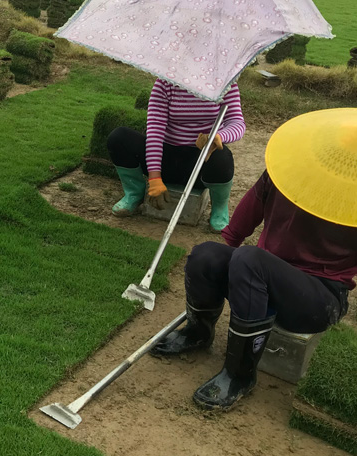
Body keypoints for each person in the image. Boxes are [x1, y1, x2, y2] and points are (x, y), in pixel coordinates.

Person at [152, 108, 357, 411]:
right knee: (206, 255)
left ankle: (240, 374)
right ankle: (198, 332)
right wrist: (225, 251)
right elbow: (248, 212)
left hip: (319, 298)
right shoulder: (286, 172)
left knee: (250, 259)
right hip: (261, 274)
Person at [106, 79, 245, 232]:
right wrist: (154, 178)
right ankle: (134, 193)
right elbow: (155, 132)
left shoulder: (225, 85)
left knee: (222, 157)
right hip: (167, 158)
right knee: (119, 138)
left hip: (199, 163)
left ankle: (219, 208)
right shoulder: (165, 84)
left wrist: (218, 137)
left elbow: (236, 122)